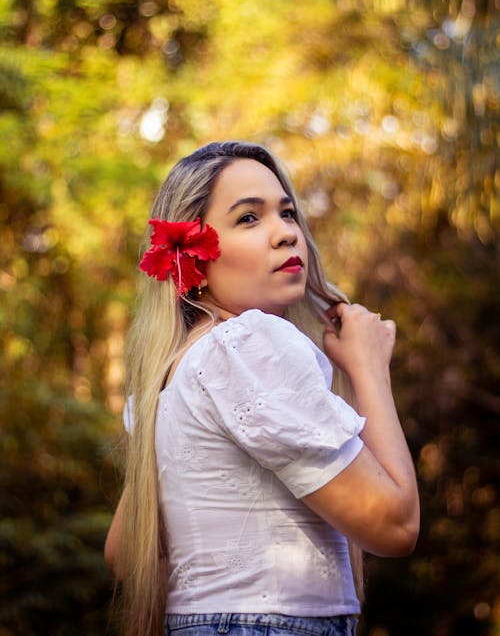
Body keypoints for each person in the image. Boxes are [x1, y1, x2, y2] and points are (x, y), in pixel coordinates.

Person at [105, 141, 419, 636]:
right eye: (249, 218)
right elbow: (394, 526)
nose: (287, 234)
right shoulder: (248, 346)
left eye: (287, 212)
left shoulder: (170, 374)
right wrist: (370, 370)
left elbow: (126, 553)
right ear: (190, 257)